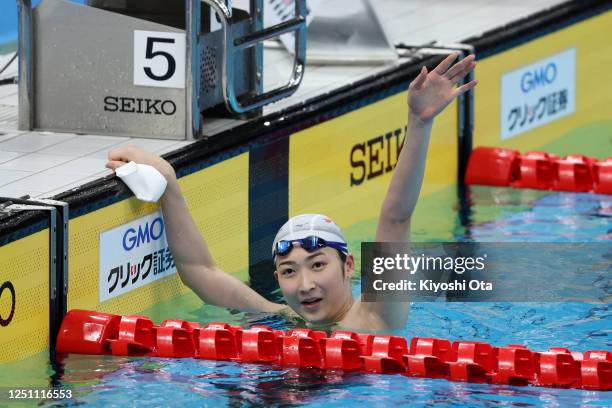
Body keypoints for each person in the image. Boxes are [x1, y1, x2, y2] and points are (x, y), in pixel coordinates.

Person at [106, 53, 477, 331]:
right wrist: (169, 184)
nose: (305, 285)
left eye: (318, 265)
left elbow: (396, 216)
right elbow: (199, 271)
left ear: (348, 266)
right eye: (289, 271)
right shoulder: (282, 319)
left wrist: (419, 122)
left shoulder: (377, 317)